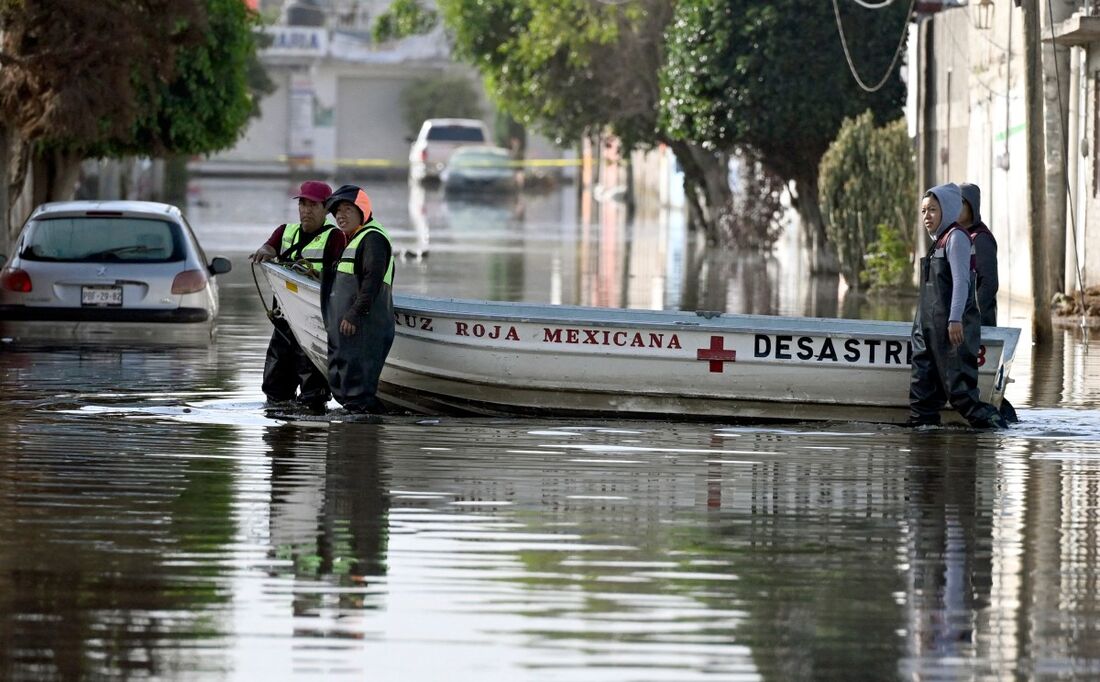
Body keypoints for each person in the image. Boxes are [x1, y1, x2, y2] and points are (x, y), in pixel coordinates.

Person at [909, 183, 1006, 429]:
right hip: (929, 331)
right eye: (923, 211)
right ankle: (922, 429)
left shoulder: (957, 238)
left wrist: (955, 320)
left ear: (947, 210)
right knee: (923, 392)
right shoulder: (938, 241)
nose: (926, 216)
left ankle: (998, 426)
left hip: (951, 330)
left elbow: (962, 282)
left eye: (932, 209)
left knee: (961, 395)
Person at [250, 180, 346, 411]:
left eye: (312, 205)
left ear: (326, 208)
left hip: (314, 327)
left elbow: (341, 281)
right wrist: (263, 252)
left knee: (313, 396)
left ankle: (311, 437)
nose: (306, 210)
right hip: (284, 325)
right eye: (302, 203)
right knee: (274, 391)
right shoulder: (285, 231)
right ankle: (280, 436)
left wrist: (314, 275)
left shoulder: (336, 238)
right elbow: (268, 248)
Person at [324, 184, 396, 414]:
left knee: (358, 393)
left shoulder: (373, 238)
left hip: (366, 327)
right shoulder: (353, 239)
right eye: (337, 211)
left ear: (362, 210)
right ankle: (359, 434)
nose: (340, 216)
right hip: (349, 330)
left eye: (347, 209)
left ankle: (364, 438)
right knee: (346, 388)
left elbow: (372, 280)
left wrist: (354, 314)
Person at [958, 182, 1017, 422]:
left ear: (971, 207)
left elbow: (989, 284)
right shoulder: (958, 237)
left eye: (960, 203)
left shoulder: (980, 239)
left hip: (978, 324)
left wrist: (971, 317)